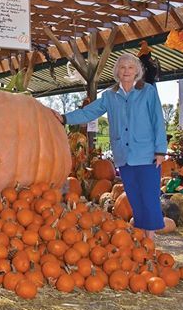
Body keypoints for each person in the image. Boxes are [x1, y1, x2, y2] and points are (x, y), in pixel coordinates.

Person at [52, 53, 167, 240]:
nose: (126, 71)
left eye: (130, 67)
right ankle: (143, 240)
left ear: (137, 71)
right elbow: (89, 112)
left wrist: (160, 150)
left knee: (149, 199)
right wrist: (65, 118)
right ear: (117, 73)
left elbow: (158, 120)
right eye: (122, 68)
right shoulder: (110, 95)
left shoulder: (148, 91)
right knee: (135, 200)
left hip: (147, 154)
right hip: (124, 155)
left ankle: (151, 240)